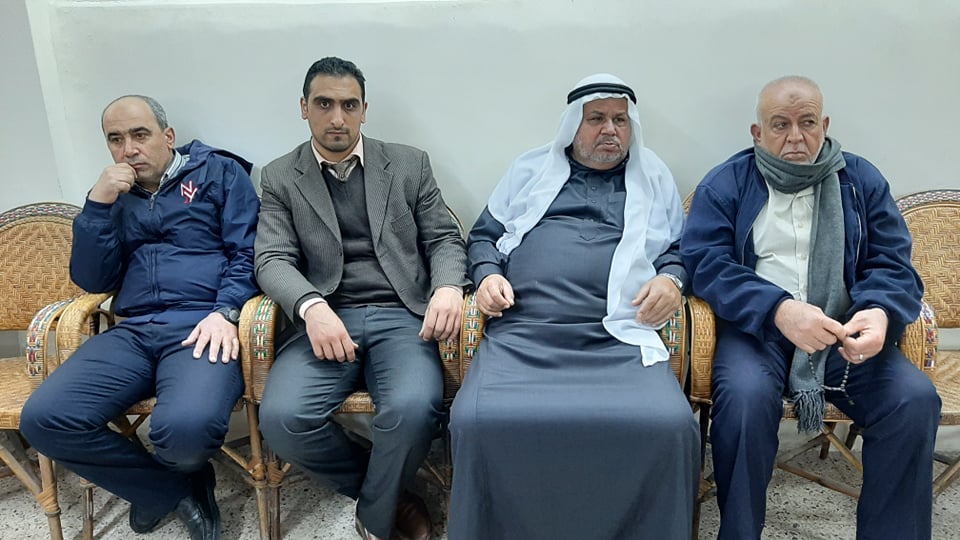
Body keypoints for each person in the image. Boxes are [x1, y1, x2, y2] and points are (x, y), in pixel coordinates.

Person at [681, 76, 941, 539]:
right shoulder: (727, 183)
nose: (795, 137)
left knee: (913, 400)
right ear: (757, 133)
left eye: (807, 123)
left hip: (841, 335)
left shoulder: (861, 181)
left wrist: (879, 311)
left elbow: (893, 263)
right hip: (758, 333)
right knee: (743, 402)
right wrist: (778, 309)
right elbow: (705, 263)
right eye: (780, 125)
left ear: (825, 125)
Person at [448, 73, 700, 539]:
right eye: (596, 118)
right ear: (572, 125)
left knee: (670, 424)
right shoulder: (530, 171)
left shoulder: (653, 177)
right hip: (525, 336)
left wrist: (672, 279)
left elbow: (680, 249)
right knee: (476, 421)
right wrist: (486, 277)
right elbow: (483, 238)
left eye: (620, 120)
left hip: (617, 338)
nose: (610, 130)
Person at [21, 95, 260, 540]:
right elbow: (93, 279)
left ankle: (174, 478)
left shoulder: (221, 173)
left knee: (186, 431)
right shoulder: (112, 196)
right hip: (131, 330)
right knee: (45, 419)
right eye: (116, 139)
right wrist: (97, 205)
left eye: (140, 135)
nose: (129, 149)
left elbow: (249, 253)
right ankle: (170, 491)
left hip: (201, 325)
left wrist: (225, 311)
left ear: (168, 137)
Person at [254, 57, 468, 540]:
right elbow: (271, 258)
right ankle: (392, 494)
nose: (337, 118)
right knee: (283, 419)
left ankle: (374, 515)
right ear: (304, 107)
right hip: (326, 317)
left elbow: (444, 239)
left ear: (364, 110)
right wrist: (311, 307)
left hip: (402, 315)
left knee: (413, 409)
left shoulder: (408, 163)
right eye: (324, 104)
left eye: (349, 105)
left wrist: (448, 287)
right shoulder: (281, 176)